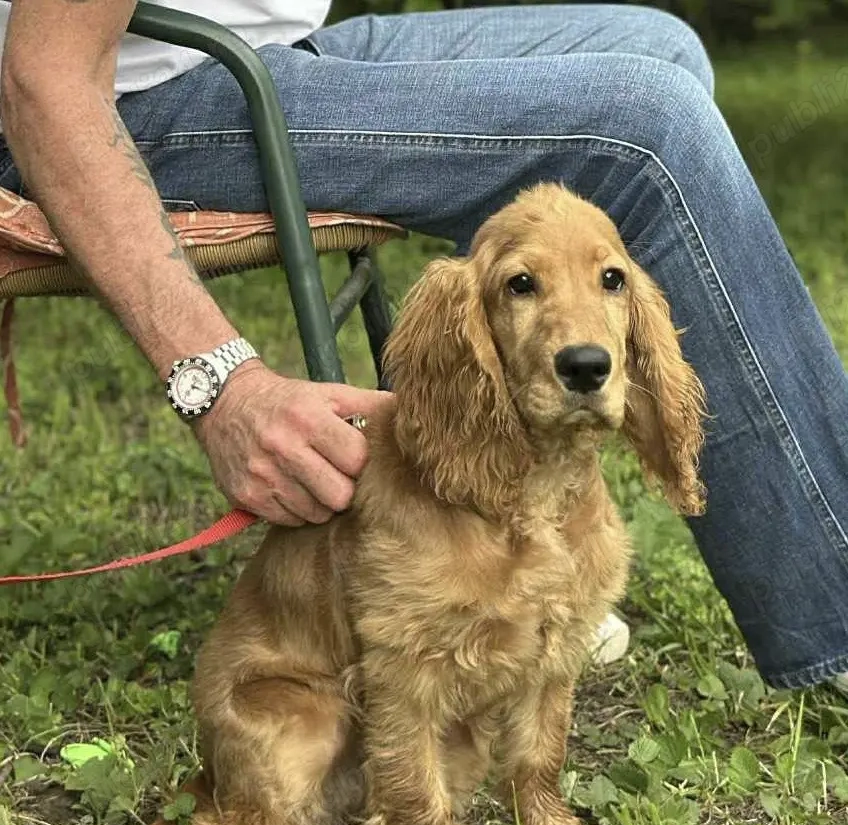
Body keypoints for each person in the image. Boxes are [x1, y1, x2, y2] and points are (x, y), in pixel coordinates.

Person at [0, 1, 846, 694]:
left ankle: (512, 536)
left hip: (265, 49)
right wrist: (220, 382)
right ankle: (838, 621)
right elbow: (46, 77)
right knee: (648, 131)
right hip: (144, 100)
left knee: (659, 46)